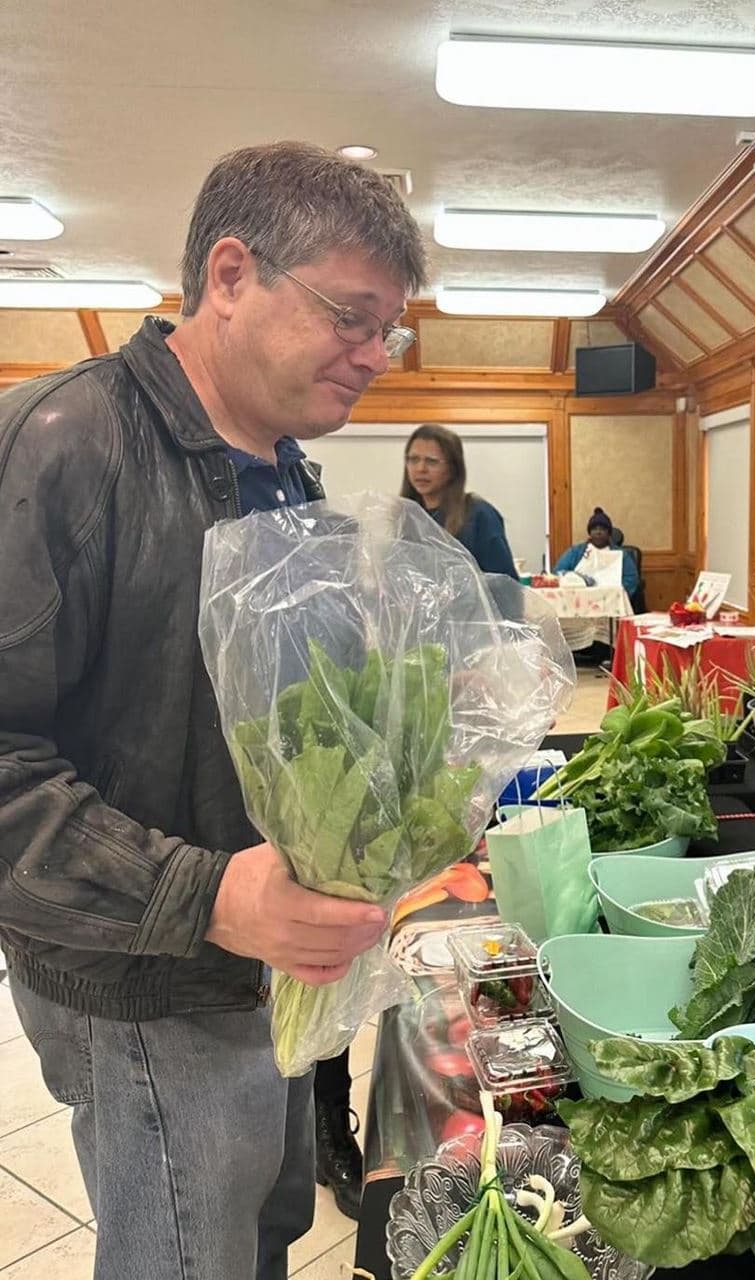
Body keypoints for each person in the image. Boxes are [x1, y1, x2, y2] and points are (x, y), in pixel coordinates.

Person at [0, 141, 427, 1279]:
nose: (375, 355)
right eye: (352, 315)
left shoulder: (288, 469)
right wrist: (206, 892)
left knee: (258, 1238)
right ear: (231, 275)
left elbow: (277, 716)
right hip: (144, 979)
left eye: (391, 329)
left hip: (265, 964)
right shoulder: (65, 441)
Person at [402, 424, 518, 577]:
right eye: (413, 460)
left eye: (431, 461)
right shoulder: (404, 517)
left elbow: (506, 586)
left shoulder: (479, 516)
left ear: (452, 469)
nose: (420, 468)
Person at [555, 507, 639, 597]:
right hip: (580, 597)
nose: (598, 532)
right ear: (590, 533)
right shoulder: (576, 551)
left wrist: (616, 591)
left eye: (602, 529)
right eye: (594, 529)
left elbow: (631, 579)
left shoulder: (621, 555)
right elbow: (559, 572)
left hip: (611, 598)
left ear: (609, 533)